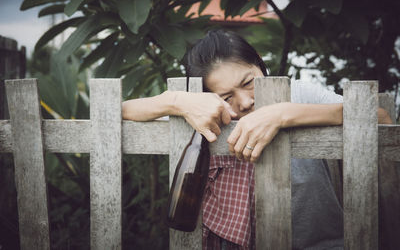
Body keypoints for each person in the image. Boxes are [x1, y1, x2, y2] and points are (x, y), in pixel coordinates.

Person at [122, 30, 392, 250]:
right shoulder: (203, 113)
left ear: (260, 63)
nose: (245, 101)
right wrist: (177, 101)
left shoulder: (299, 93)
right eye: (227, 97)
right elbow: (121, 112)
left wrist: (285, 113)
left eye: (248, 81)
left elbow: (380, 118)